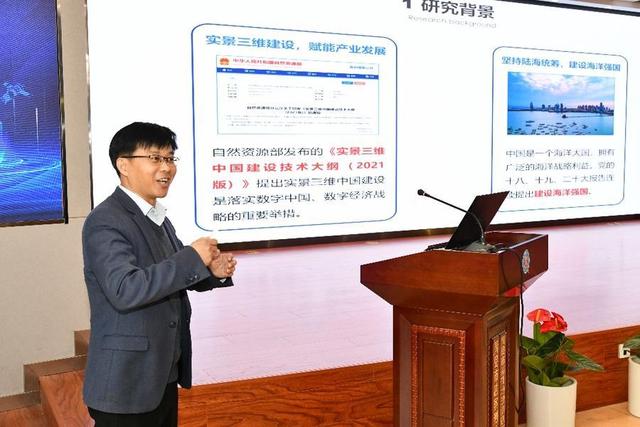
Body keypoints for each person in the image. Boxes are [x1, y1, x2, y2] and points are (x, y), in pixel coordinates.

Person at [81, 122, 236, 426]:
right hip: (126, 383)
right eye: (155, 158)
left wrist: (211, 272)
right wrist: (192, 257)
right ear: (123, 165)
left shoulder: (156, 216)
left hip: (160, 373)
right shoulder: (105, 220)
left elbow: (169, 273)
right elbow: (126, 289)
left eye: (169, 158)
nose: (166, 168)